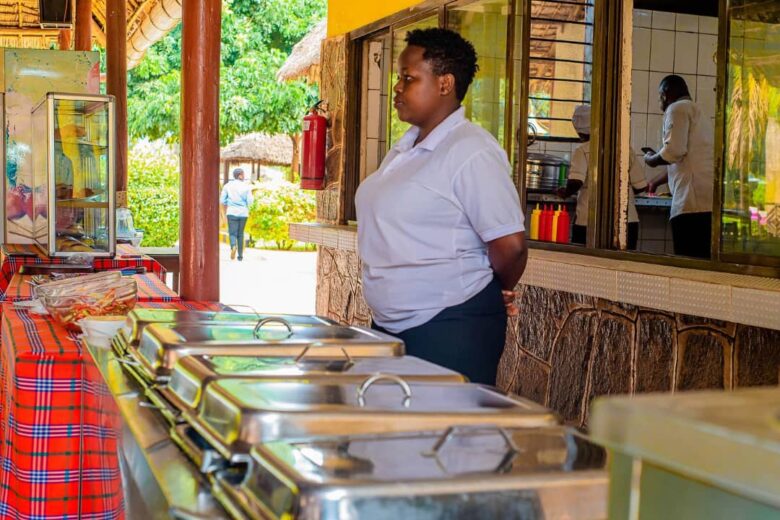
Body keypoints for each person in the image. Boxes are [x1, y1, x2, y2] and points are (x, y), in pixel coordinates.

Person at [355, 28, 527, 385]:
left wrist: (493, 289)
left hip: (449, 326)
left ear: (445, 83)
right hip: (392, 326)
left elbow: (509, 245)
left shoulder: (471, 150)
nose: (397, 88)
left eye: (408, 78)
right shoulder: (405, 149)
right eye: (398, 78)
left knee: (442, 420)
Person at [644, 74, 714, 259]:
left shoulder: (677, 109)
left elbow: (674, 151)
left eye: (660, 96)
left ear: (666, 93)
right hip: (707, 204)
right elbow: (687, 159)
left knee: (688, 263)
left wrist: (650, 159)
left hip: (691, 205)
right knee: (703, 261)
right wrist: (655, 182)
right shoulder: (700, 113)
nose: (660, 102)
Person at [558, 104, 648, 248]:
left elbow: (576, 182)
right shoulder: (624, 148)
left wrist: (565, 192)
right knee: (622, 261)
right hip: (627, 222)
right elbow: (641, 187)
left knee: (587, 261)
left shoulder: (582, 150)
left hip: (590, 222)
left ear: (579, 131)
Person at [220, 167, 254, 261]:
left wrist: (229, 203)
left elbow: (222, 200)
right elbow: (250, 202)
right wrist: (244, 204)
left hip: (231, 212)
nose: (244, 176)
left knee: (232, 233)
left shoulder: (227, 186)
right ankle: (240, 256)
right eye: (243, 174)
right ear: (240, 176)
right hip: (243, 213)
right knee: (240, 233)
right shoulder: (247, 186)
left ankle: (233, 246)